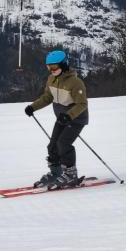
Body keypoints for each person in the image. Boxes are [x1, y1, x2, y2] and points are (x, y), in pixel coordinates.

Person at [24, 49, 89, 189]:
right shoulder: (51, 79)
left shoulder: (75, 82)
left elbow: (82, 104)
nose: (51, 70)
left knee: (63, 144)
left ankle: (71, 174)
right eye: (49, 67)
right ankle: (56, 172)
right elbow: (47, 97)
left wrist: (69, 115)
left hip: (76, 118)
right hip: (62, 118)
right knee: (53, 145)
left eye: (54, 66)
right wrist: (33, 107)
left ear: (63, 64)